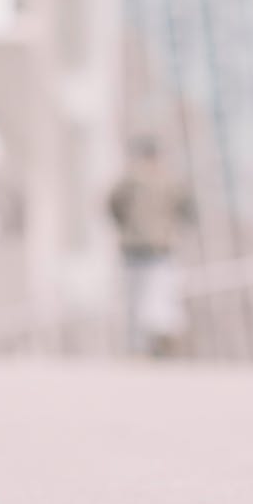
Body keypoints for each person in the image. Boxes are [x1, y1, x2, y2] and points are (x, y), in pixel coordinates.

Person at [109, 137, 194, 357]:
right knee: (160, 295)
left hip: (134, 247)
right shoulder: (168, 181)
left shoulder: (129, 181)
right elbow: (187, 207)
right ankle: (159, 336)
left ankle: (142, 345)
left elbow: (112, 205)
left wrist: (126, 225)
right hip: (160, 246)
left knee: (137, 298)